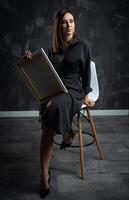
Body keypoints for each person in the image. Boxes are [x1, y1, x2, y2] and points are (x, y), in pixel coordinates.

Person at [24, 9, 95, 199]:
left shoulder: (83, 45)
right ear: (58, 26)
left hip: (73, 91)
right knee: (48, 106)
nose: (69, 25)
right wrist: (30, 60)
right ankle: (44, 175)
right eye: (64, 22)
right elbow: (43, 67)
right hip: (55, 89)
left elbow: (87, 72)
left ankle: (65, 135)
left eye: (71, 21)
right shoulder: (52, 47)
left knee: (49, 111)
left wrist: (87, 93)